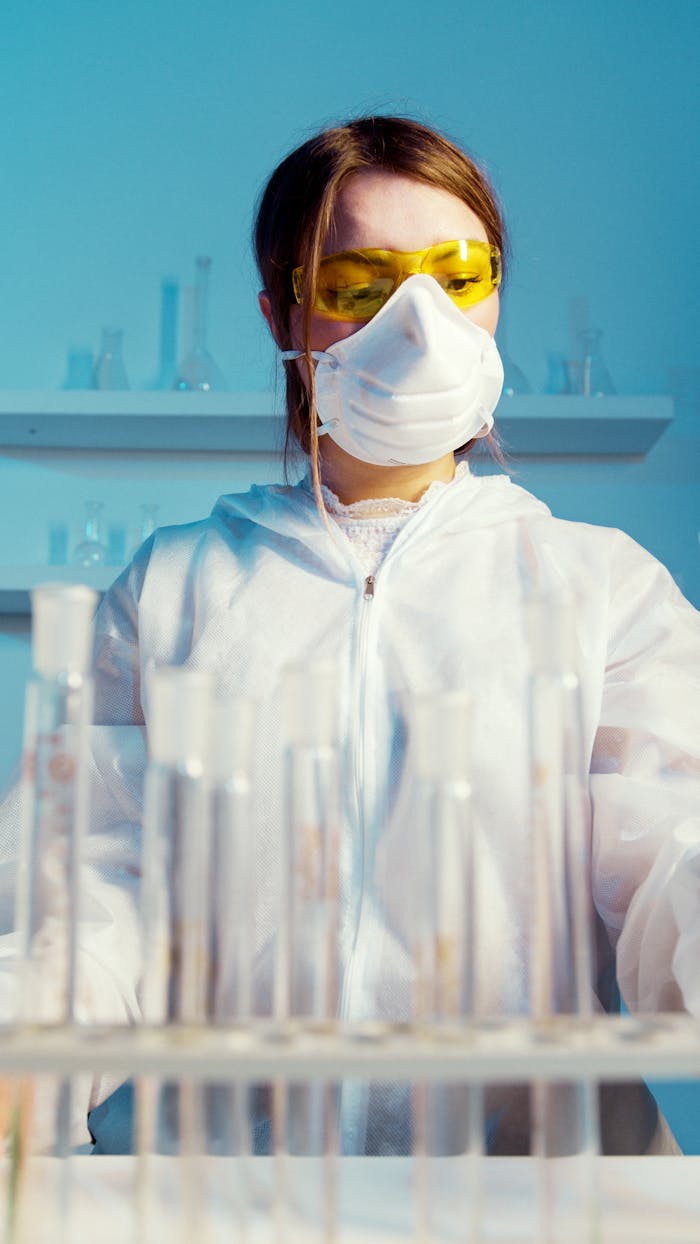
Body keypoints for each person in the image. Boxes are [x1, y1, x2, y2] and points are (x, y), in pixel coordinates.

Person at [2, 115, 699, 1157]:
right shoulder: (174, 587)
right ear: (281, 311)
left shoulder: (597, 587)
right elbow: (95, 894)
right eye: (360, 285)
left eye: (457, 275)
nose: (420, 322)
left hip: (534, 1198)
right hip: (230, 1193)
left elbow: (669, 856)